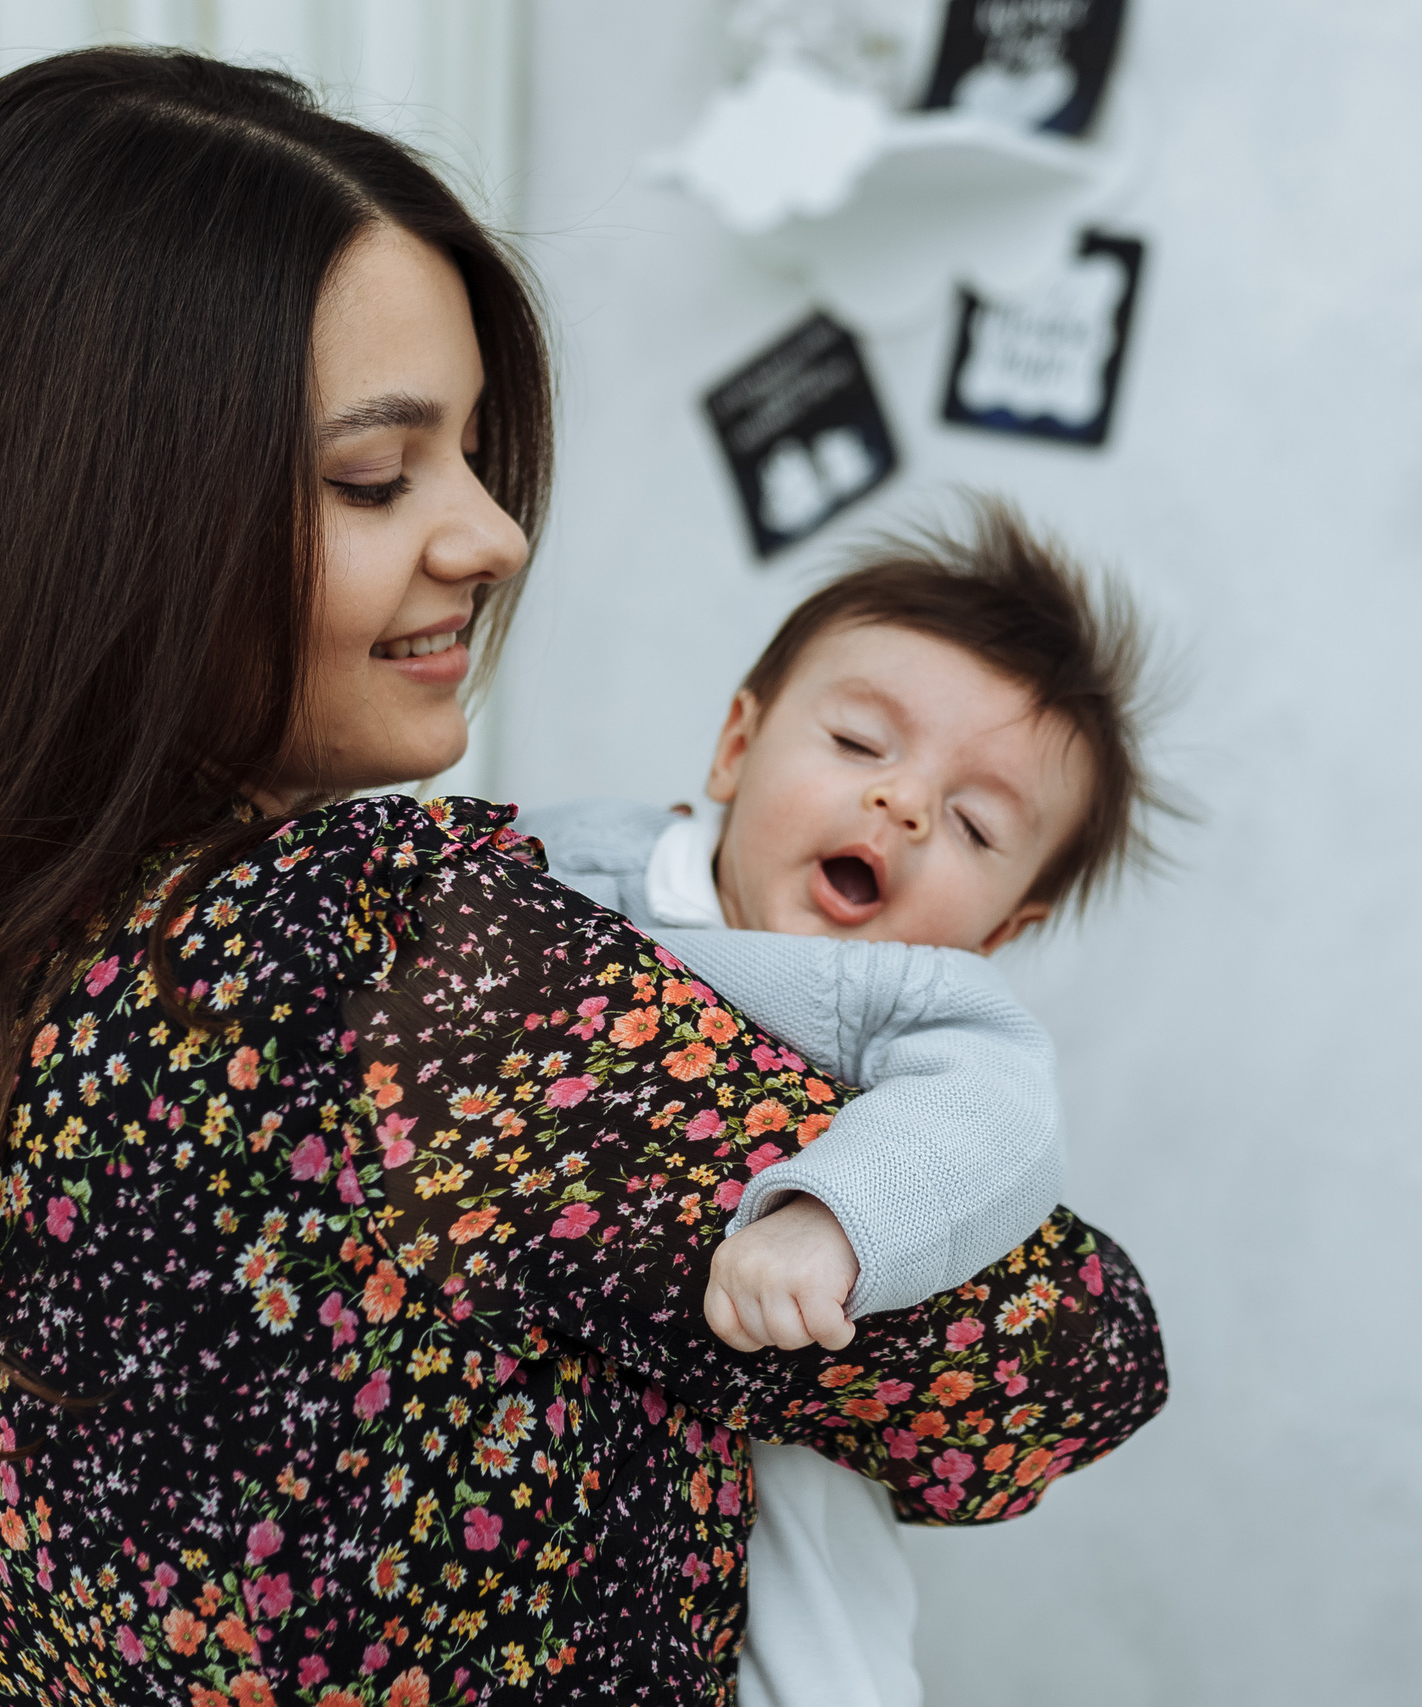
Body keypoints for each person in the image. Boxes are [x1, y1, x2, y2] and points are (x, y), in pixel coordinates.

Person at [0, 48, 1168, 1707]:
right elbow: (1057, 1368)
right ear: (107, 520)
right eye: (377, 476)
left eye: (468, 454)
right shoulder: (382, 954)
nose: (494, 533)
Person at [517, 501, 1165, 1707]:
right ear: (734, 748)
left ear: (1000, 929)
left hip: (769, 1523)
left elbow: (996, 1112)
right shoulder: (569, 863)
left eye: (975, 824)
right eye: (862, 743)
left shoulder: (903, 992)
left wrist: (832, 1221)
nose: (905, 805)